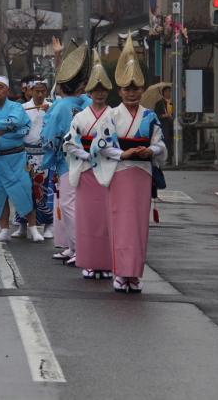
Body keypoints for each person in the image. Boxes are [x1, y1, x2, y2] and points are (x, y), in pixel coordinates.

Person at [92, 36, 167, 293]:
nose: (132, 93)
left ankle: (134, 274)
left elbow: (161, 145)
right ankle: (120, 273)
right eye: (127, 88)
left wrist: (150, 150)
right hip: (121, 172)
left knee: (138, 226)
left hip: (142, 173)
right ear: (120, 91)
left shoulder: (150, 116)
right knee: (120, 223)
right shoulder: (111, 115)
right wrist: (121, 154)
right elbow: (99, 146)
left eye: (136, 88)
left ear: (142, 89)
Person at [0, 76, 43, 243]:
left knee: (25, 191)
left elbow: (19, 122)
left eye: (0, 87)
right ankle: (4, 228)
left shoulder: (16, 107)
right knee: (0, 194)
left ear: (7, 90)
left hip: (17, 157)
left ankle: (33, 227)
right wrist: (6, 129)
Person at [64, 53, 114, 280]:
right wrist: (86, 155)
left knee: (107, 220)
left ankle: (106, 262)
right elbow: (69, 142)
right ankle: (90, 262)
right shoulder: (80, 117)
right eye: (96, 89)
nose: (100, 93)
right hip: (86, 170)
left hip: (109, 172)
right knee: (87, 220)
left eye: (103, 89)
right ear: (89, 92)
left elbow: (118, 142)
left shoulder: (115, 115)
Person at [41, 42, 92, 264]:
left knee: (69, 206)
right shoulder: (89, 102)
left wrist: (48, 149)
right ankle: (73, 247)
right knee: (79, 204)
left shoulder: (61, 107)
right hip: (92, 160)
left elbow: (49, 138)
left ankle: (80, 248)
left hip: (68, 161)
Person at [15, 79, 53, 239]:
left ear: (46, 92)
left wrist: (49, 112)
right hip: (26, 153)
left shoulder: (52, 106)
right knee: (23, 189)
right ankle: (22, 224)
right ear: (30, 91)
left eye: (42, 91)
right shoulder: (23, 108)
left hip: (44, 154)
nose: (39, 94)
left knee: (42, 189)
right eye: (36, 91)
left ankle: (47, 225)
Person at [153, 86, 174, 164]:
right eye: (166, 91)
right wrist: (164, 116)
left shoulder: (175, 102)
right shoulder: (159, 103)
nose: (168, 93)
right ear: (163, 93)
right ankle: (168, 158)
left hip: (174, 124)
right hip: (165, 125)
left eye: (170, 91)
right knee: (167, 141)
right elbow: (156, 115)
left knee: (174, 140)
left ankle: (175, 156)